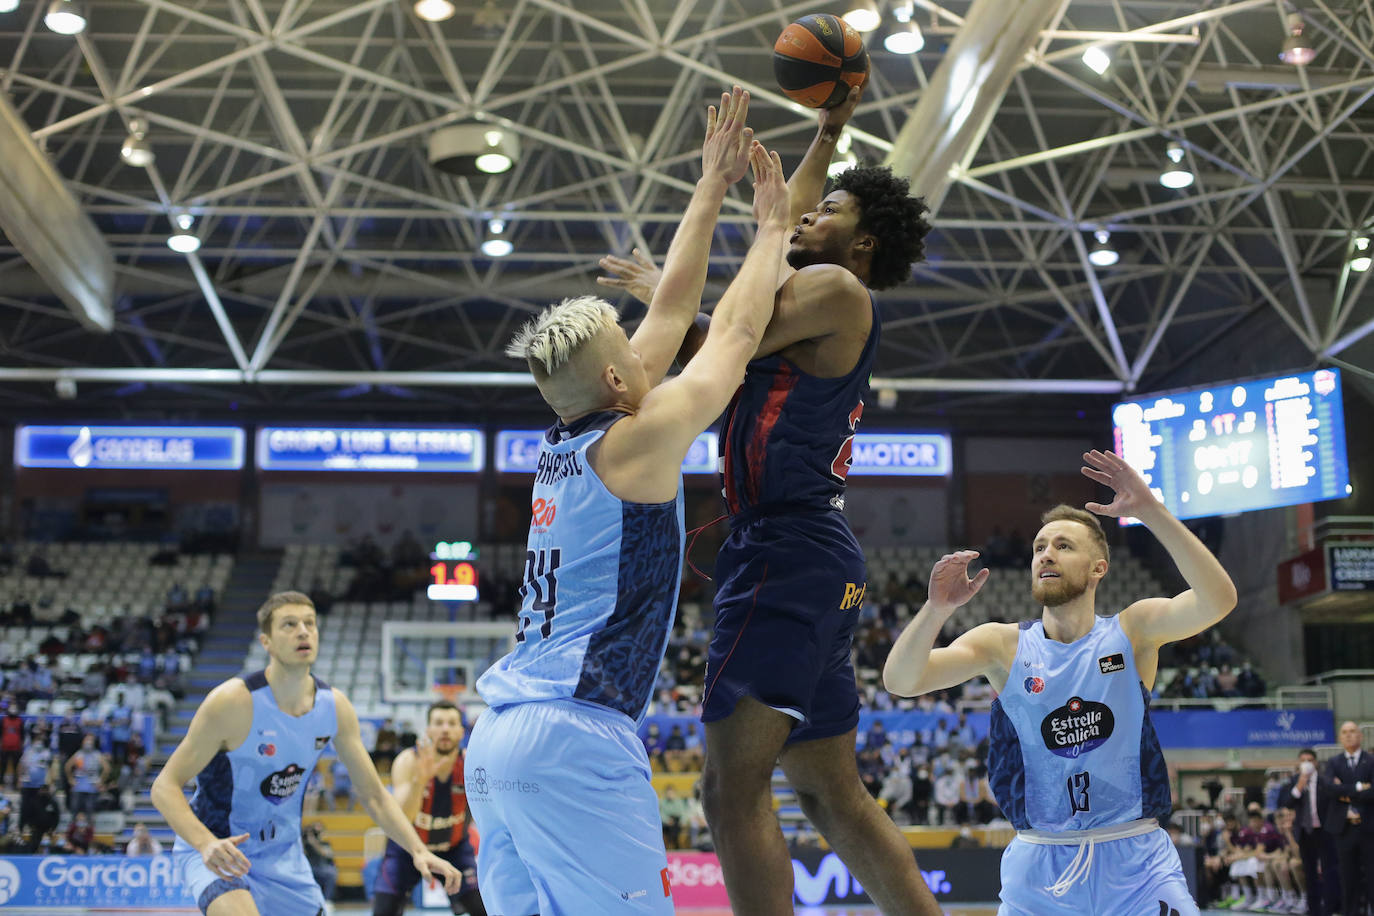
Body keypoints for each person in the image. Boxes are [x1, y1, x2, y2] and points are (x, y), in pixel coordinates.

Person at [600, 87, 938, 916]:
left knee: (729, 789)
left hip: (785, 554)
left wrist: (670, 300)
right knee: (831, 795)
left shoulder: (836, 290)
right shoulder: (820, 285)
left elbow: (737, 323)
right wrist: (829, 132)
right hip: (812, 556)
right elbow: (772, 255)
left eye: (828, 211)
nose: (805, 215)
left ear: (859, 243)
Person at [466, 86, 792, 915]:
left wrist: (710, 182)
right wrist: (773, 229)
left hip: (498, 741)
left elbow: (676, 301)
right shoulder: (641, 437)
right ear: (618, 378)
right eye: (633, 340)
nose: (650, 332)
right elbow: (732, 336)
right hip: (573, 736)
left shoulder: (571, 437)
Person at [883, 449, 1238, 915]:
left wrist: (1150, 511)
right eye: (1039, 547)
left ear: (1099, 569)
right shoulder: (1002, 645)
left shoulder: (1134, 631)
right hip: (1039, 863)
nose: (1046, 554)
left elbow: (1218, 599)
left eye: (1063, 546)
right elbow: (902, 681)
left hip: (1136, 860)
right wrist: (936, 611)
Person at [151, 591, 460, 915]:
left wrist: (417, 850)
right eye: (289, 624)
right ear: (266, 641)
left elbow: (375, 797)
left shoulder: (334, 707)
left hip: (284, 859)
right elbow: (164, 786)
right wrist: (205, 843)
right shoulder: (231, 702)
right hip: (221, 848)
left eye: (309, 623)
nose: (303, 631)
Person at [372, 701, 485, 916]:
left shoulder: (472, 762)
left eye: (451, 723)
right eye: (439, 723)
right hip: (408, 850)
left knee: (484, 908)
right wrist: (420, 781)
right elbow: (401, 818)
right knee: (384, 911)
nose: (445, 729)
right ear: (428, 729)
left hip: (455, 849)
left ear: (461, 732)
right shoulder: (408, 761)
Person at [1325, 719, 1374, 916]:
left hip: (1369, 827)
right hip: (1344, 828)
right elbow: (1329, 789)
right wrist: (1360, 787)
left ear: (1360, 736)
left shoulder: (1371, 761)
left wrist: (1343, 790)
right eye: (1344, 732)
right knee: (1348, 878)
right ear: (1340, 737)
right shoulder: (1333, 762)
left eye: (1353, 731)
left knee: (1372, 876)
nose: (1349, 735)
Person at [1285, 747, 1340, 916]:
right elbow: (1287, 802)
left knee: (1329, 870)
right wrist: (1300, 785)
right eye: (1303, 760)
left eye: (1309, 760)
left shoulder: (1325, 780)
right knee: (1309, 872)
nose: (1307, 764)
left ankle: (1330, 908)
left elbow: (1335, 801)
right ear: (1299, 763)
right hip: (1305, 832)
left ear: (1315, 762)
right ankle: (1313, 909)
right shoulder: (1295, 780)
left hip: (1324, 831)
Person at [66, 733, 109, 817]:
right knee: (75, 808)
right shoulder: (79, 754)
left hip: (92, 786)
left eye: (91, 740)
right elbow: (67, 766)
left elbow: (107, 768)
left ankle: (90, 828)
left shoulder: (97, 754)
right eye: (87, 740)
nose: (88, 742)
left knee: (90, 810)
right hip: (78, 785)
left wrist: (101, 781)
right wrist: (70, 779)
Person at [302, 822, 337, 906]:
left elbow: (326, 854)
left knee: (331, 873)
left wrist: (314, 842)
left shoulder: (325, 844)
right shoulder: (305, 844)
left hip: (322, 868)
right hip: (308, 868)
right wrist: (303, 841)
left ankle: (327, 901)